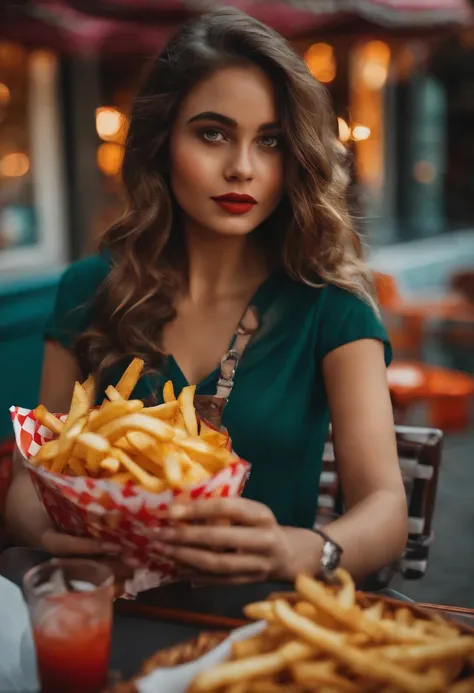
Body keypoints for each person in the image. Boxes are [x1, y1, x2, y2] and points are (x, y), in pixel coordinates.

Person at [6, 7, 407, 586]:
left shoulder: (333, 307)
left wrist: (299, 551)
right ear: (161, 142)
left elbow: (386, 510)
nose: (242, 168)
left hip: (259, 630)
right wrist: (54, 535)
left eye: (270, 141)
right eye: (213, 133)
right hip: (108, 614)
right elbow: (28, 484)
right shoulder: (87, 290)